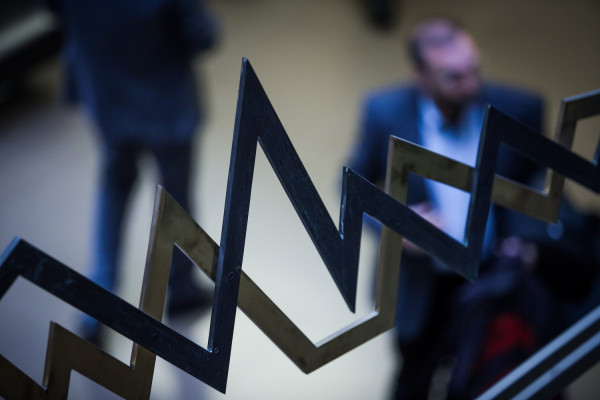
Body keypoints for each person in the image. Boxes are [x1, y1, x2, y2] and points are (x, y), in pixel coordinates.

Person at [347, 16, 544, 399]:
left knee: (494, 379)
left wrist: (527, 239)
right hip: (422, 281)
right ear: (419, 75)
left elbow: (538, 183)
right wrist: (396, 226)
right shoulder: (385, 111)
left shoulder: (519, 107)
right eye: (453, 77)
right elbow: (352, 188)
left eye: (474, 70)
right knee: (413, 381)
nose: (471, 85)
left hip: (495, 275)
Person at [44, 0, 218, 345]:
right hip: (165, 100)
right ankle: (181, 288)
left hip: (107, 94)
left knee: (114, 189)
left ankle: (98, 300)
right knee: (175, 200)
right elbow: (203, 35)